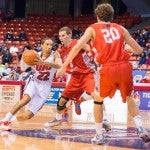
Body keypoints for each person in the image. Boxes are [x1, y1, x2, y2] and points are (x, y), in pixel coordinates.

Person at [55, 3, 150, 144]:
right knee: (129, 98)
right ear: (111, 16)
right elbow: (139, 50)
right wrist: (125, 48)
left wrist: (63, 66)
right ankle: (141, 128)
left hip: (107, 67)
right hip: (124, 67)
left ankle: (99, 135)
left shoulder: (92, 28)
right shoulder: (121, 28)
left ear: (97, 16)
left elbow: (76, 47)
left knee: (98, 100)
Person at [44, 27, 111, 131]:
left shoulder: (78, 43)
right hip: (74, 77)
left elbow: (91, 50)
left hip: (87, 74)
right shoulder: (59, 50)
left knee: (96, 95)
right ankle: (58, 119)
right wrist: (58, 67)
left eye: (63, 35)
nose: (61, 38)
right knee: (62, 100)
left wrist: (98, 59)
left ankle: (105, 120)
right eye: (60, 36)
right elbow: (59, 62)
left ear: (69, 35)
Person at [0, 37, 62, 131]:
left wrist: (43, 63)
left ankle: (8, 120)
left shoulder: (55, 55)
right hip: (34, 81)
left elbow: (59, 65)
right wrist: (24, 59)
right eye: (47, 44)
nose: (50, 47)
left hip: (45, 87)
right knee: (26, 99)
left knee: (28, 115)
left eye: (51, 45)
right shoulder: (35, 55)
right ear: (41, 46)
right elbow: (23, 69)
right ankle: (5, 120)